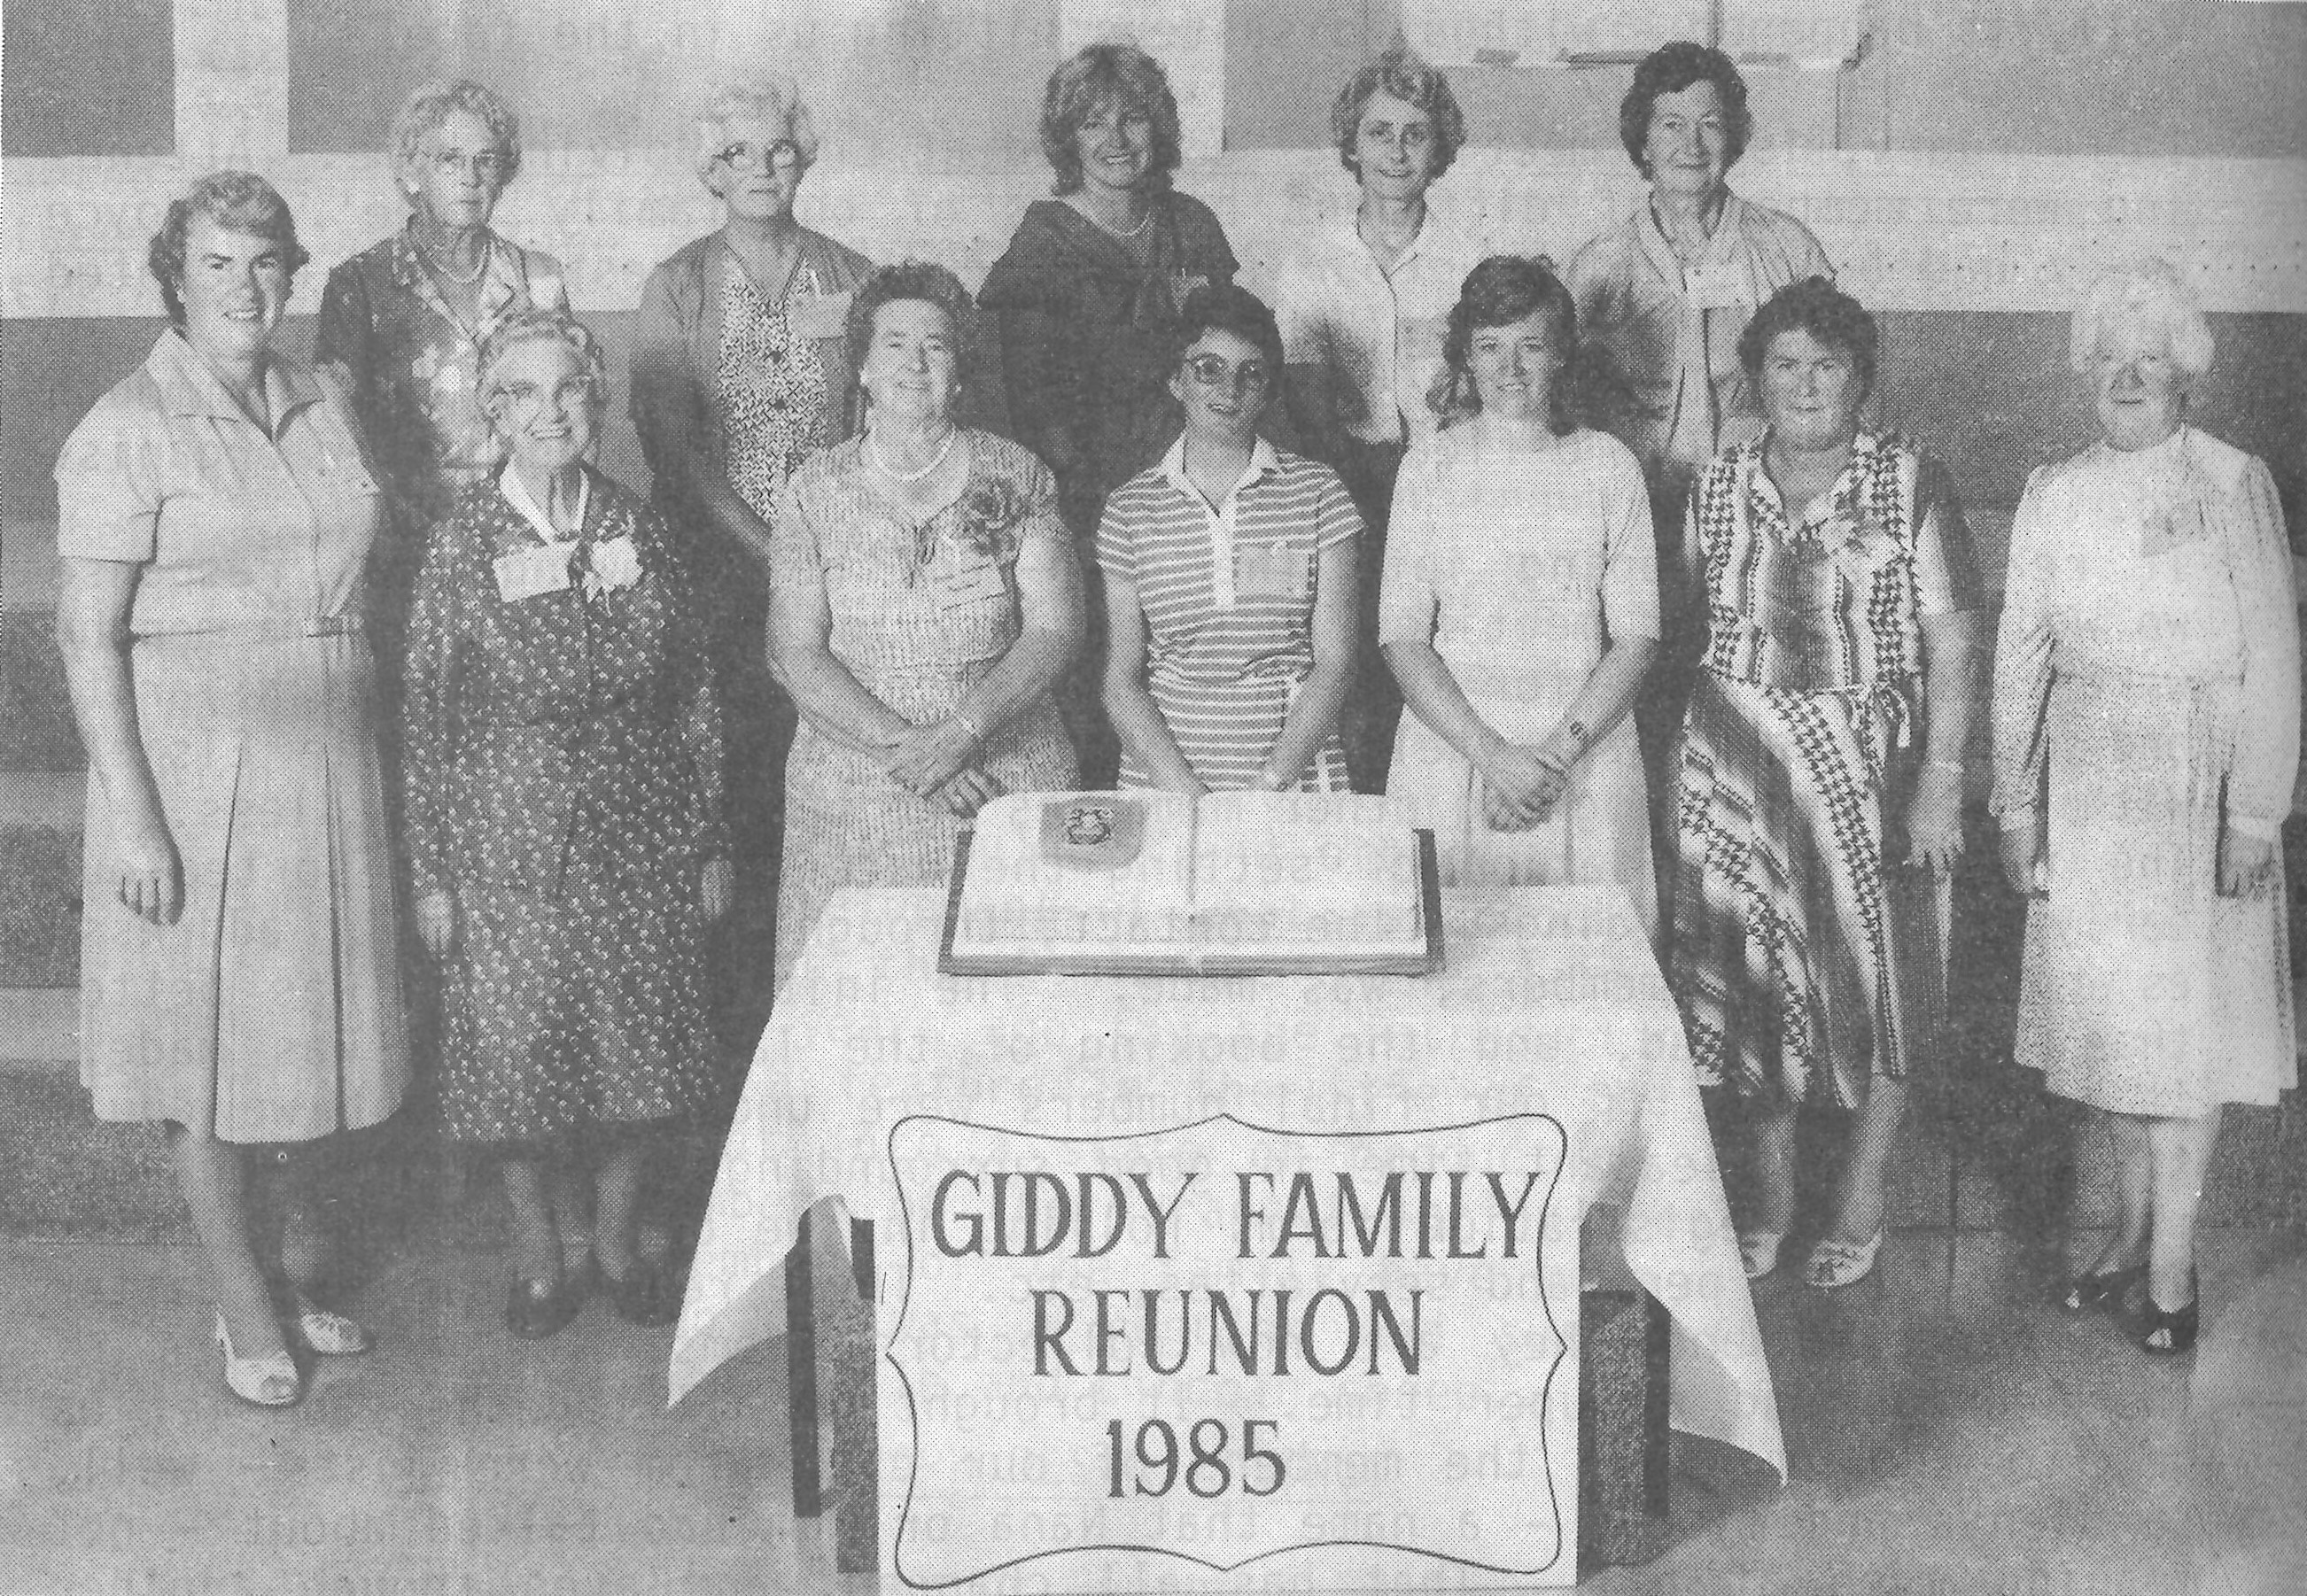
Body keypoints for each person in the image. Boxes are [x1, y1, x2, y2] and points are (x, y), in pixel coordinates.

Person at [54, 172, 408, 1406]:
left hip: (328, 750)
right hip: (197, 768)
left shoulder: (323, 396)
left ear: (292, 272)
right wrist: (137, 818)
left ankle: (292, 1266)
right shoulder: (124, 424)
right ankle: (242, 1303)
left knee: (297, 1039)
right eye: (218, 263)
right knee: (205, 1057)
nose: (247, 286)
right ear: (176, 276)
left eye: (265, 262)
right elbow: (86, 639)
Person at [400, 310, 731, 1337]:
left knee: (645, 1060)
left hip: (643, 836)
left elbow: (698, 687)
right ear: (494, 413)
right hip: (507, 849)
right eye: (525, 394)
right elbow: (423, 712)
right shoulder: (462, 541)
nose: (553, 412)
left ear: (596, 404)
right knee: (514, 1065)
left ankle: (617, 1238)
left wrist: (712, 834)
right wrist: (432, 874)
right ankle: (540, 1247)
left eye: (572, 390)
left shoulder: (636, 523)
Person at [1992, 260, 2297, 1354]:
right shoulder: (2054, 488)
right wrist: (2013, 801)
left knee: (2183, 1035)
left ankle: (2173, 1270)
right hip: (2086, 774)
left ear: (2186, 377)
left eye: (2152, 360)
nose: (2129, 377)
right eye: (2111, 360)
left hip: (2193, 776)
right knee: (2111, 1031)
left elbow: (2274, 653)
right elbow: (2021, 652)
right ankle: (2124, 1239)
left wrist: (2255, 814)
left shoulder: (2230, 479)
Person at [1673, 278, 1982, 1290]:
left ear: (1861, 377)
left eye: (1828, 364)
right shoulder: (1717, 484)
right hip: (1739, 762)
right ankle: (1766, 1201)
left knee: (1884, 982)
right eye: (1785, 365)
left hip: (1872, 764)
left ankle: (1861, 1197)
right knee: (1756, 984)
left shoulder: (1907, 478)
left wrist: (1941, 780)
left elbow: (1952, 641)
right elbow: (1693, 623)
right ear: (1757, 377)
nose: (1805, 384)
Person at [629, 76, 874, 1037]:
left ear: (804, 158)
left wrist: (815, 559)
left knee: (822, 781)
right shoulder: (678, 283)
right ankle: (729, 1036)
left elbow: (870, 424)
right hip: (717, 583)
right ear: (711, 172)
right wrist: (770, 550)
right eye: (738, 155)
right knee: (728, 794)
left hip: (831, 581)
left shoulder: (850, 274)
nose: (761, 168)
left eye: (778, 150)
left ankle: (821, 1012)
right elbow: (673, 448)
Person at [769, 263, 1082, 990]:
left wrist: (963, 733)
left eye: (936, 346)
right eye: (894, 345)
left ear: (961, 371)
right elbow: (792, 654)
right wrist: (918, 753)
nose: (914, 363)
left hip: (1003, 780)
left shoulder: (1018, 476)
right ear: (863, 370)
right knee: (854, 1021)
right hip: (853, 799)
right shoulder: (813, 488)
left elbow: (1057, 632)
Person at [1568, 43, 1834, 895]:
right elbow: (1563, 410)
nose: (1691, 141)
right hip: (1634, 523)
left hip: (1756, 527)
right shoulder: (1599, 263)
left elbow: (1835, 390)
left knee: (1742, 710)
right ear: (1640, 140)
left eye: (1711, 122)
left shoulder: (1787, 248)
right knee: (1640, 705)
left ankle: (1744, 906)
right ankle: (1650, 906)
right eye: (1670, 123)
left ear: (1738, 136)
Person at [980, 43, 1239, 785]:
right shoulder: (1043, 245)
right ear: (1069, 140)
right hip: (1091, 503)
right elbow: (1037, 415)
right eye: (1095, 124)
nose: (1117, 140)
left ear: (1160, 128)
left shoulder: (1191, 224)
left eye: (1134, 119)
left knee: (1203, 672)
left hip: (1200, 488)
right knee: (1106, 680)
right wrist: (1113, 511)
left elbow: (1234, 360)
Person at [1379, 257, 1659, 924]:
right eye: (1490, 347)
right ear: (1466, 360)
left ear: (1561, 354)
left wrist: (1552, 760)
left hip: (1583, 756)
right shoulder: (1429, 467)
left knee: (1591, 985)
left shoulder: (1608, 465)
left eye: (1531, 345)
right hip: (1453, 752)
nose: (1511, 368)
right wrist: (1494, 759)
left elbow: (1637, 638)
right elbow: (1403, 639)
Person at [1277, 46, 1483, 792]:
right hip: (1347, 481)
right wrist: (1351, 497)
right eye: (1379, 132)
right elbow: (1303, 401)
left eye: (1415, 133)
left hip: (1451, 483)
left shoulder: (1472, 256)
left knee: (1441, 652)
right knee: (1357, 662)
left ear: (1440, 148)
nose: (1397, 151)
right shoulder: (1311, 262)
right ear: (1352, 147)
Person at [314, 79, 570, 655]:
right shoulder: (361, 284)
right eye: (449, 159)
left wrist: (552, 542)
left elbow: (574, 422)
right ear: (411, 171)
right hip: (407, 553)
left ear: (504, 173)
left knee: (522, 722)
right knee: (417, 727)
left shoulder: (539, 278)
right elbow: (336, 435)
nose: (470, 176)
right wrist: (412, 531)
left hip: (525, 550)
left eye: (486, 160)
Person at [1099, 284, 1360, 794]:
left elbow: (1336, 662)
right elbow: (1121, 679)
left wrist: (1272, 781)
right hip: (1165, 773)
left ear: (1268, 389)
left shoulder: (1319, 492)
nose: (1230, 389)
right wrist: (1183, 788)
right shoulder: (1130, 508)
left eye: (1251, 373)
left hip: (1294, 771)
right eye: (1208, 369)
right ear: (1176, 380)